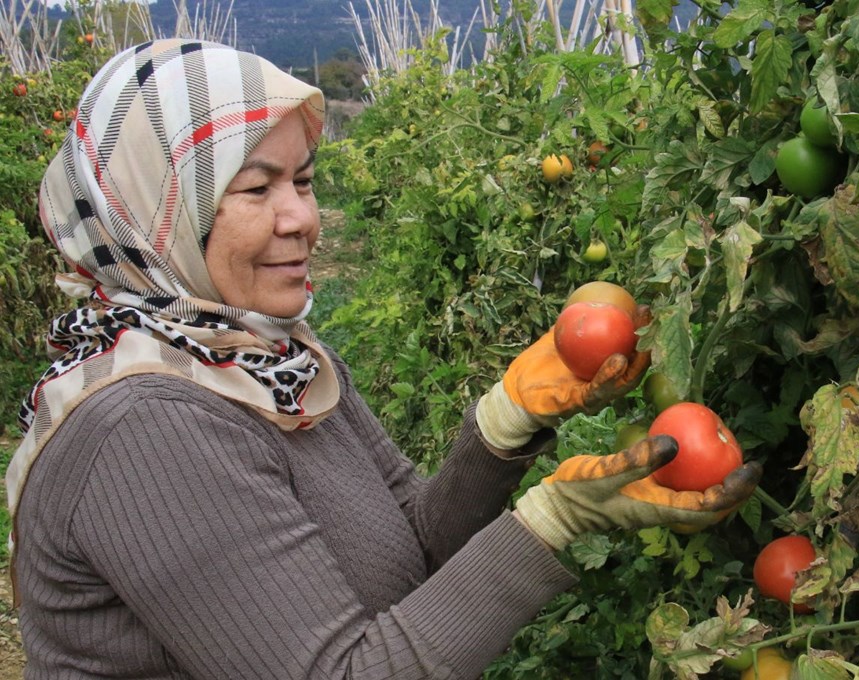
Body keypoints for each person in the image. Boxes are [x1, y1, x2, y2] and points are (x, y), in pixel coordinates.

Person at [7, 39, 761, 679]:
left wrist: (503, 422)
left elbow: (412, 550)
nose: (302, 218)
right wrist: (552, 519)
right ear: (157, 210)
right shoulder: (143, 430)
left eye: (302, 180)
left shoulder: (270, 360)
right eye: (257, 187)